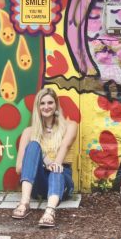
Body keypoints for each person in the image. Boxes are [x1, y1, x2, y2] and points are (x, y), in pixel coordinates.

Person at [14, 87, 78, 228]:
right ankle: (24, 204)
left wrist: (54, 164)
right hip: (39, 182)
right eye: (42, 103)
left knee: (56, 169)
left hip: (62, 179)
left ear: (56, 105)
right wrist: (44, 160)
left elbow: (64, 147)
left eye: (50, 103)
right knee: (34, 145)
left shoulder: (70, 126)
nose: (46, 107)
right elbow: (19, 168)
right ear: (38, 107)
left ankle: (50, 212)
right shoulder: (29, 132)